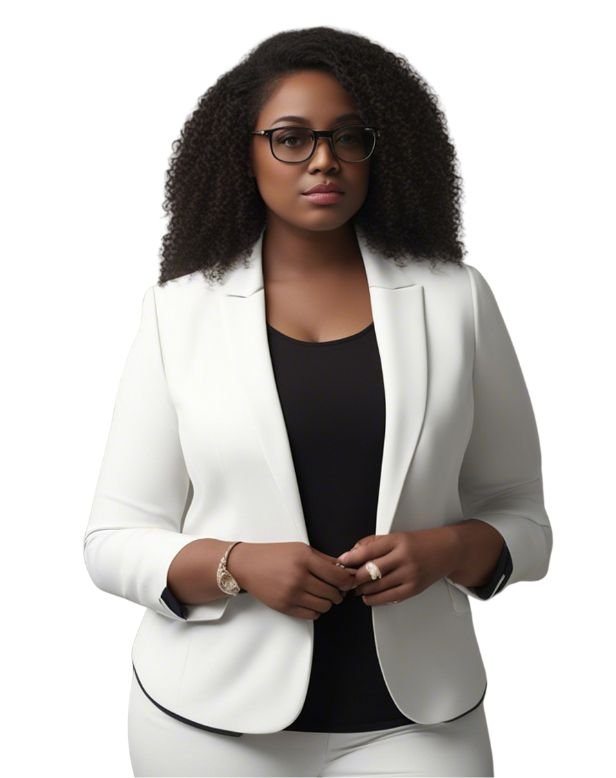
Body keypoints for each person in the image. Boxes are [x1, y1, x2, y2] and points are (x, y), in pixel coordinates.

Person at [83, 26, 553, 778]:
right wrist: (237, 565)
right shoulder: (179, 313)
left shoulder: (456, 300)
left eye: (348, 137)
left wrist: (448, 549)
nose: (324, 160)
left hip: (419, 716)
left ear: (381, 151)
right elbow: (112, 539)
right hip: (209, 721)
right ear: (243, 154)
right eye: (292, 138)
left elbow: (523, 519)